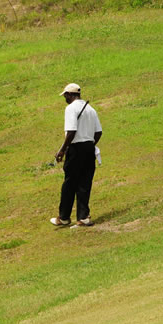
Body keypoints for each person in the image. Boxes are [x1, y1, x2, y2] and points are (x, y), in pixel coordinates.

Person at [51, 82, 102, 227]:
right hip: (89, 148)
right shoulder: (91, 109)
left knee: (69, 183)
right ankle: (83, 217)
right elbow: (98, 132)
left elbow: (71, 131)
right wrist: (90, 144)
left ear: (69, 94)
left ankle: (64, 217)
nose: (65, 99)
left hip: (76, 148)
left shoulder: (70, 109)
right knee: (85, 183)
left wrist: (62, 149)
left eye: (65, 96)